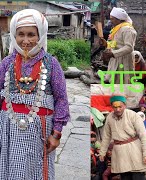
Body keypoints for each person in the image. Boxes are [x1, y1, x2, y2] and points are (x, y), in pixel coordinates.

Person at [0, 9, 70, 180]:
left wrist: (56, 134)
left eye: (31, 34)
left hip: (40, 132)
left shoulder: (51, 64)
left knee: (36, 172)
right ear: (14, 36)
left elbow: (61, 99)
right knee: (12, 171)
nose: (25, 41)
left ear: (41, 35)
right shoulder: (6, 63)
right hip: (10, 128)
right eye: (20, 34)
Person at [99, 94, 146, 180]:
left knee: (138, 176)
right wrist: (102, 152)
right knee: (125, 177)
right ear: (112, 106)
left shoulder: (133, 115)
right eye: (115, 107)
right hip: (120, 153)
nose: (118, 109)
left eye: (120, 107)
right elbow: (106, 137)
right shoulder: (109, 118)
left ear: (125, 106)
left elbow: (143, 135)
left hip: (135, 150)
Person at [103, 7, 137, 84]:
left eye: (112, 19)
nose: (110, 21)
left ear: (119, 19)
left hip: (124, 60)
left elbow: (129, 47)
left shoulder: (127, 29)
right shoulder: (116, 29)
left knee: (124, 82)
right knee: (113, 82)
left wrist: (113, 53)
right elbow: (115, 43)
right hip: (114, 59)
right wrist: (105, 44)